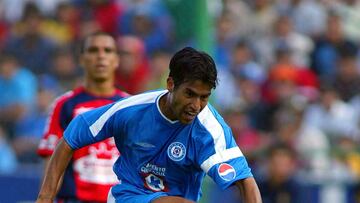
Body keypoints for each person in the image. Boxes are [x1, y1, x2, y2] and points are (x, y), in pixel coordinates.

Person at [37, 47, 262, 203]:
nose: (196, 105)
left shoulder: (211, 131)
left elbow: (246, 183)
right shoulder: (130, 111)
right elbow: (72, 135)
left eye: (204, 97)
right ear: (171, 84)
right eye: (190, 94)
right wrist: (45, 197)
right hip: (128, 197)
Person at [37, 31, 128, 202]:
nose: (101, 56)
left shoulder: (131, 106)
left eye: (107, 50)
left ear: (116, 60)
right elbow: (52, 164)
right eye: (93, 50)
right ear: (81, 59)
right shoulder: (63, 105)